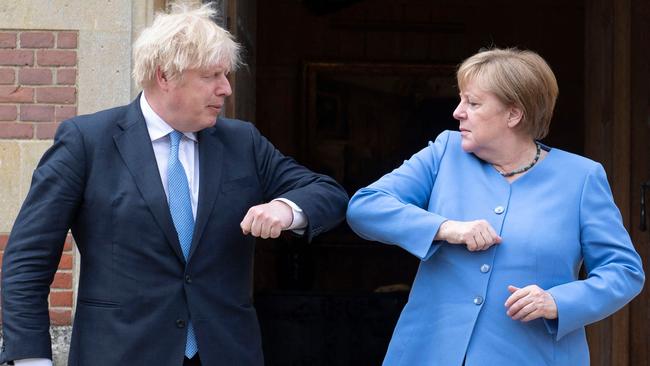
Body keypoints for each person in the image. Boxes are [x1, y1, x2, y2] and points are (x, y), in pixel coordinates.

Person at [0, 3, 348, 366]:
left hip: (226, 354)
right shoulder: (87, 142)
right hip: (121, 354)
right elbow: (28, 258)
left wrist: (286, 209)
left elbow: (328, 194)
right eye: (212, 76)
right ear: (165, 76)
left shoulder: (242, 143)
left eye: (226, 75)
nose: (226, 88)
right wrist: (30, 359)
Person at [346, 48, 644, 365]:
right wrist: (445, 228)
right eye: (461, 100)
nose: (458, 112)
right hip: (429, 353)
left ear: (513, 115)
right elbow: (366, 207)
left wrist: (557, 301)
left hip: (533, 356)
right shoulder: (445, 153)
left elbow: (623, 271)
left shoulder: (581, 177)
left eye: (473, 103)